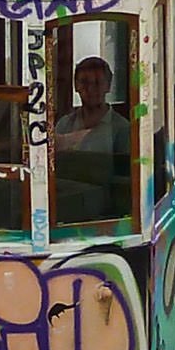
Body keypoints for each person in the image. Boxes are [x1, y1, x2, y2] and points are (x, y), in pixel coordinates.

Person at [54, 56, 132, 225]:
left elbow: (124, 184)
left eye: (97, 82)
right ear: (76, 86)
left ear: (108, 86)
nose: (91, 89)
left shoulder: (122, 129)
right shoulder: (64, 124)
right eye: (84, 82)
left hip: (102, 216)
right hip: (64, 211)